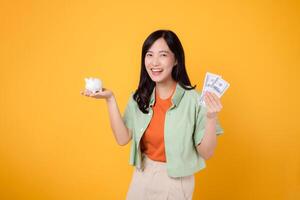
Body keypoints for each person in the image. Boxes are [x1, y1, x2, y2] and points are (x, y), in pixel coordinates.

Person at [81, 29, 224, 200]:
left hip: (176, 181)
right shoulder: (139, 97)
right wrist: (110, 99)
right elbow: (122, 139)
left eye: (163, 55)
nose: (154, 62)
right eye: (149, 55)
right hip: (142, 175)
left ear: (176, 59)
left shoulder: (195, 100)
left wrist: (211, 118)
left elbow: (206, 153)